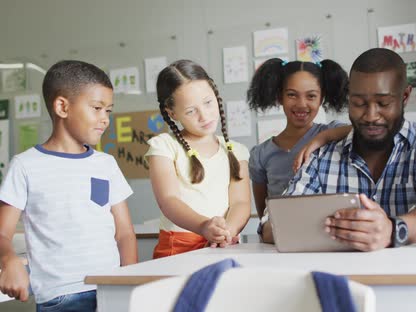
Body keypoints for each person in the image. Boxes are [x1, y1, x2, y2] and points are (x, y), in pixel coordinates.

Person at [260, 48, 416, 251]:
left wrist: (392, 229)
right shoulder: (320, 159)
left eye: (383, 103)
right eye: (359, 103)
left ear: (404, 97)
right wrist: (347, 230)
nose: (371, 115)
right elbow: (272, 225)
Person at [0, 60, 137, 311]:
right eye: (97, 108)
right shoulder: (25, 166)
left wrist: (128, 282)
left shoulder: (106, 164)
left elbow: (125, 233)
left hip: (111, 289)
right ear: (62, 106)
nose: (104, 119)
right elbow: (2, 232)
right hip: (62, 297)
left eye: (108, 110)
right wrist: (9, 261)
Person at [146, 60, 251, 259]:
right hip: (176, 250)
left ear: (215, 95)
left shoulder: (236, 151)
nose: (204, 116)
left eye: (208, 102)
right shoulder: (163, 146)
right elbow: (169, 200)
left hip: (223, 246)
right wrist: (204, 226)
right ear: (172, 113)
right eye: (191, 111)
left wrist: (225, 232)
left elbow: (241, 202)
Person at [247, 58, 349, 217]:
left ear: (321, 98)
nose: (302, 104)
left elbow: (361, 130)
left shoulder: (333, 134)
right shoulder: (260, 154)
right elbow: (264, 217)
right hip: (283, 236)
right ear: (279, 97)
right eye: (292, 95)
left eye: (311, 96)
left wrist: (323, 137)